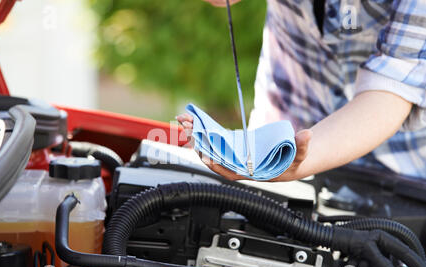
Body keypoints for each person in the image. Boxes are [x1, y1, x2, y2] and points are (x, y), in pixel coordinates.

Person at [177, 0, 426, 182]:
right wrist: (269, 158)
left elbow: (393, 88)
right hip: (278, 134)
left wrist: (285, 163)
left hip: (401, 178)